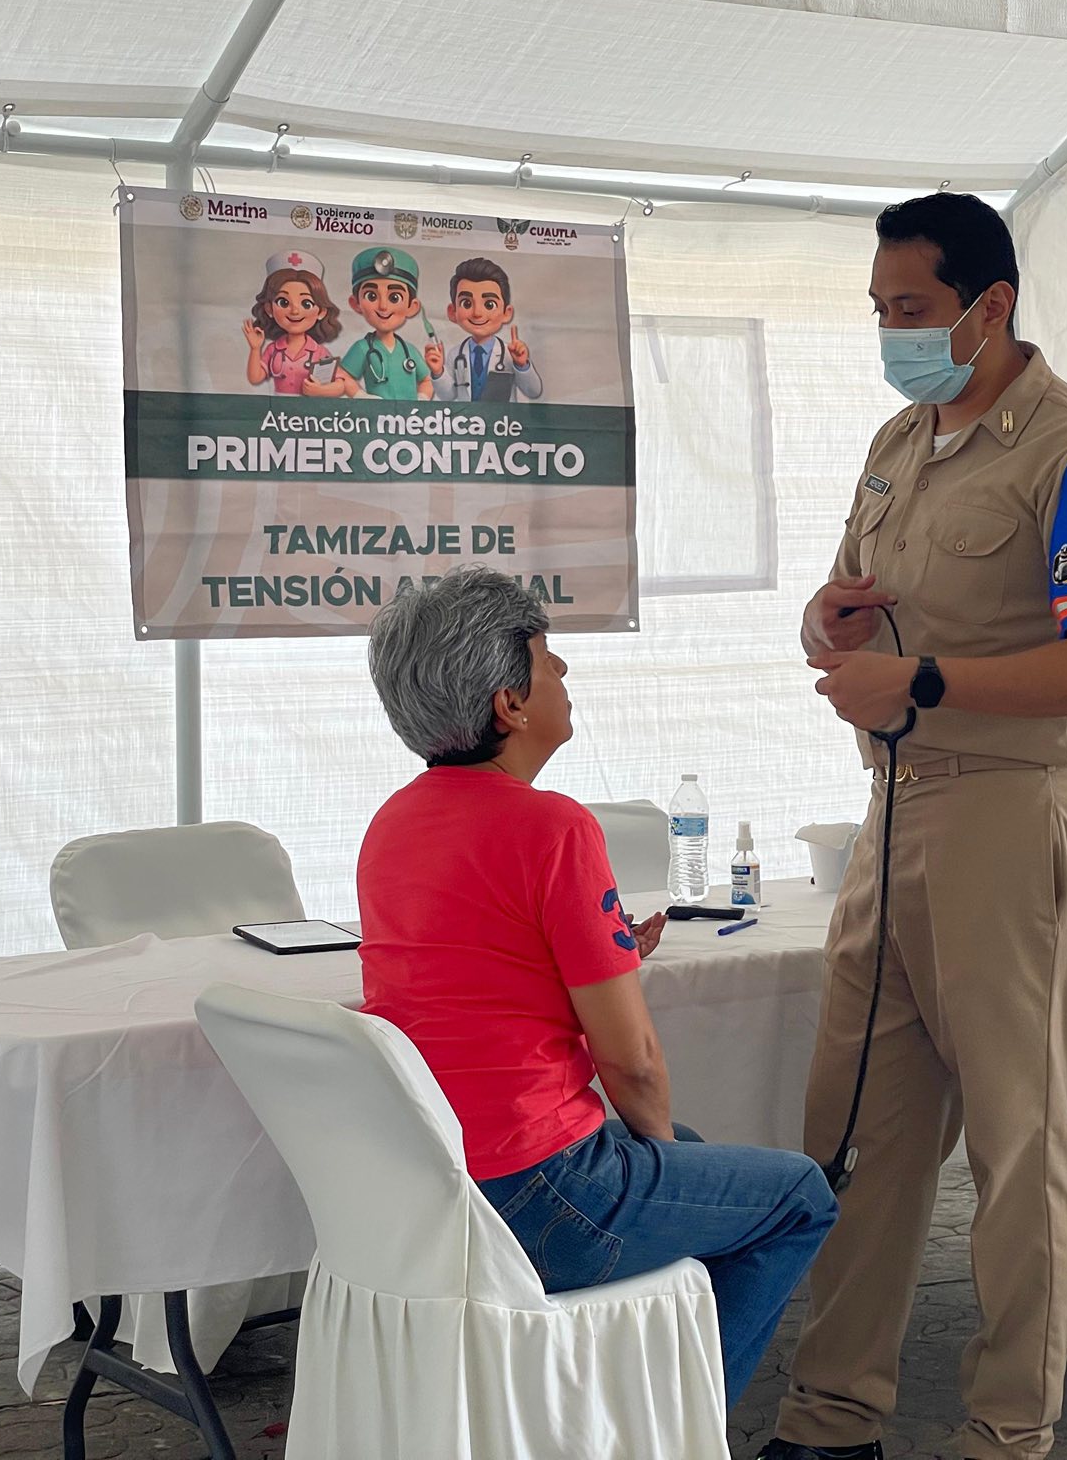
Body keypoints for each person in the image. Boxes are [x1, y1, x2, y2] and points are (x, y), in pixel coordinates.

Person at [759, 193, 1067, 1460]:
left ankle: (1006, 1431)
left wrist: (921, 680)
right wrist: (825, 621)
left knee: (1015, 1149)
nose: (893, 332)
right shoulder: (898, 439)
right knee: (856, 1131)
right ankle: (832, 1415)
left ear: (991, 306)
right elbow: (857, 604)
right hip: (894, 812)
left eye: (913, 309)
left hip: (1014, 816)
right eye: (879, 310)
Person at [356, 567, 837, 1404]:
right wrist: (663, 1154)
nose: (564, 670)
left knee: (690, 1148)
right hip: (541, 1191)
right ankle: (680, 1429)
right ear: (510, 703)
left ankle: (616, 1395)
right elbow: (634, 1064)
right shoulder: (552, 827)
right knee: (798, 1194)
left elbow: (475, 979)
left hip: (439, 1187)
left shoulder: (392, 822)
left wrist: (602, 962)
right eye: (548, 658)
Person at [241, 249, 355, 396]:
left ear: (321, 311)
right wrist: (255, 349)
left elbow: (340, 384)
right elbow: (255, 378)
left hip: (306, 408)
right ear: (269, 309)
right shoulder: (273, 349)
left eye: (306, 304)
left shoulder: (318, 352)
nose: (295, 311)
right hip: (278, 406)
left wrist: (321, 390)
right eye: (283, 302)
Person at [339, 246, 443, 400]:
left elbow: (426, 380)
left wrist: (422, 398)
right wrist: (361, 396)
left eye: (394, 298)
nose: (383, 306)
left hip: (409, 414)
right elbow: (342, 376)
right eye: (371, 296)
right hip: (376, 414)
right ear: (356, 304)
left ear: (412, 307)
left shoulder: (409, 351)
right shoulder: (362, 348)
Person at [444, 257, 544, 402]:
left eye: (489, 305)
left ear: (506, 313)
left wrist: (522, 365)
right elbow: (448, 395)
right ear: (453, 312)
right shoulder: (455, 354)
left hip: (502, 416)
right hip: (466, 416)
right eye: (466, 303)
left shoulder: (510, 354)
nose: (477, 313)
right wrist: (438, 372)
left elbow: (533, 391)